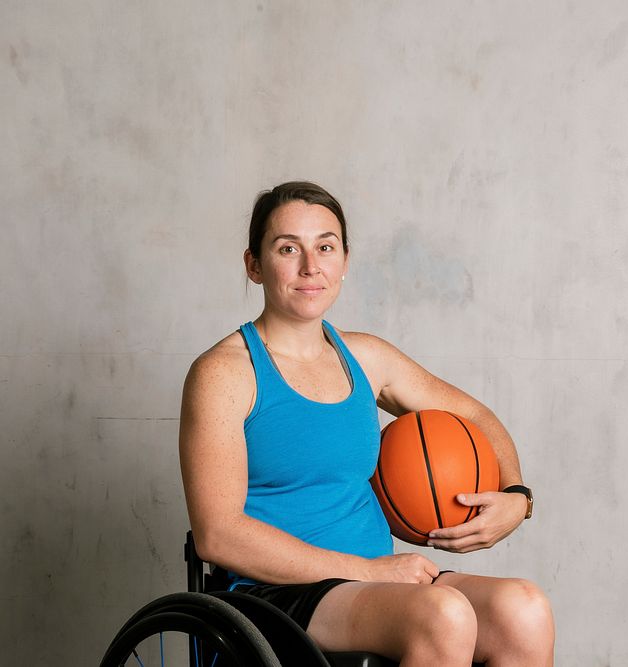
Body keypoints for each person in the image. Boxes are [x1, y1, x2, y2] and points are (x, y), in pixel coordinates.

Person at [179, 181, 555, 666]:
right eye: (288, 248)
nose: (311, 266)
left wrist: (516, 496)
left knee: (525, 608)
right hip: (275, 594)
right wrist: (366, 570)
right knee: (443, 614)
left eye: (326, 247)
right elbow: (219, 535)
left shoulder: (367, 357)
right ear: (254, 265)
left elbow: (476, 417)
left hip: (382, 581)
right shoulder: (224, 374)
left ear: (345, 262)